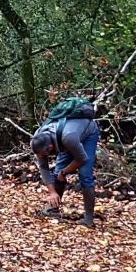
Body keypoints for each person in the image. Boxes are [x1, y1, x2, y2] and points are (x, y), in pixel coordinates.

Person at [31, 96, 100, 226]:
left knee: (85, 174)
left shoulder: (68, 138)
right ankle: (53, 208)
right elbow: (44, 168)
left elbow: (82, 159)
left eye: (44, 154)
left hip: (87, 135)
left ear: (50, 147)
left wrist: (64, 172)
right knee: (57, 171)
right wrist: (52, 192)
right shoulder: (37, 138)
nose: (43, 157)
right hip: (67, 139)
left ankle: (88, 219)